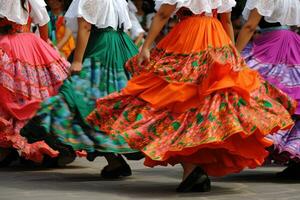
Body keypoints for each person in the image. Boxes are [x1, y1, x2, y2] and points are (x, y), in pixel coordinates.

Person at [87, 0, 296, 192]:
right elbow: (227, 21)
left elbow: (163, 14)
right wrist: (233, 53)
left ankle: (192, 170)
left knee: (179, 104)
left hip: (187, 38)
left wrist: (146, 47)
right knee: (203, 107)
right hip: (217, 38)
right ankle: (193, 170)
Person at [21, 0, 140, 175]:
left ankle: (111, 159)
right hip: (123, 45)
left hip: (102, 46)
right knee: (107, 104)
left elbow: (85, 26)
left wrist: (77, 61)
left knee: (79, 98)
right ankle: (114, 160)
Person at [0, 0, 70, 166]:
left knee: (18, 98)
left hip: (17, 45)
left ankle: (25, 148)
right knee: (19, 96)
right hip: (23, 44)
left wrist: (43, 47)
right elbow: (43, 20)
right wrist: (43, 46)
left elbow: (43, 20)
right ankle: (8, 149)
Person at [236, 0, 300, 178]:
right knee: (293, 97)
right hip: (293, 42)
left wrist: (234, 53)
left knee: (256, 89)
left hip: (272, 44)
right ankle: (296, 159)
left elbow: (250, 26)